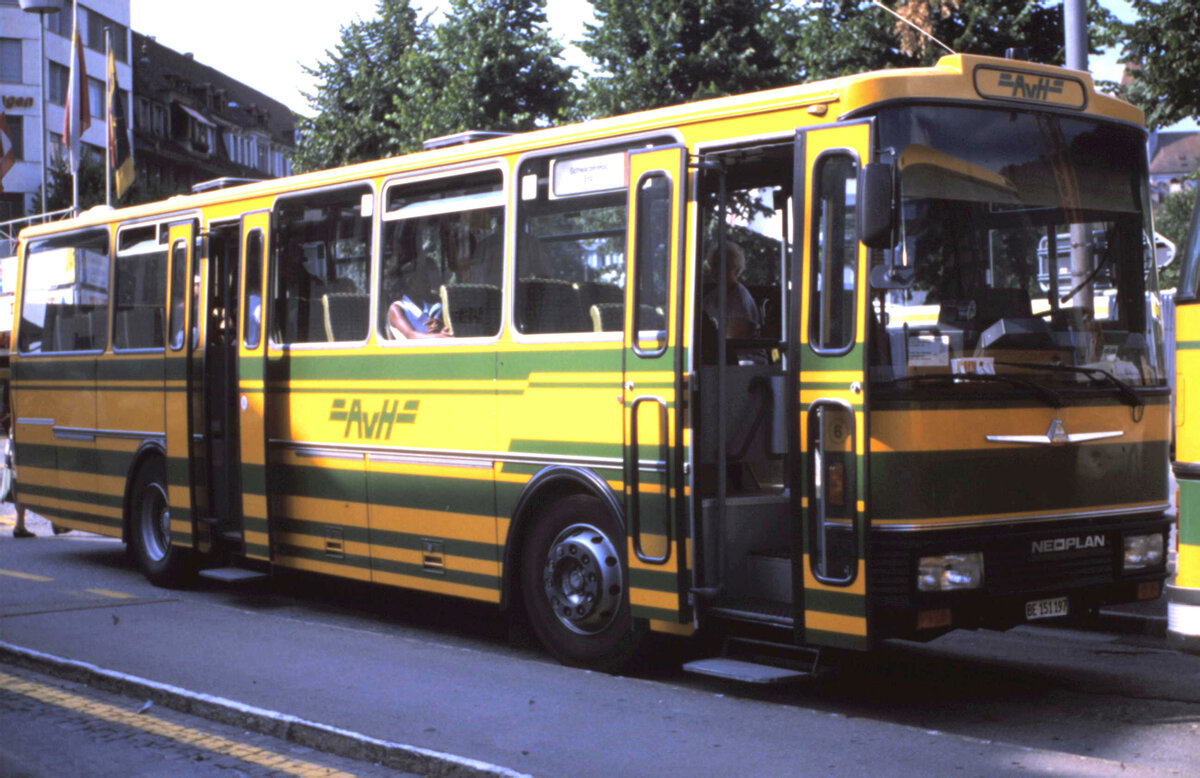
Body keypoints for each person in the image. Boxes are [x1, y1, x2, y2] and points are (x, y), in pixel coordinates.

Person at [703, 241, 764, 363]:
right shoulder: (711, 297)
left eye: (725, 267)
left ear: (736, 270)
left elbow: (730, 341)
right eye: (715, 265)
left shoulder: (740, 298)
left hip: (745, 361)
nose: (717, 271)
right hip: (722, 361)